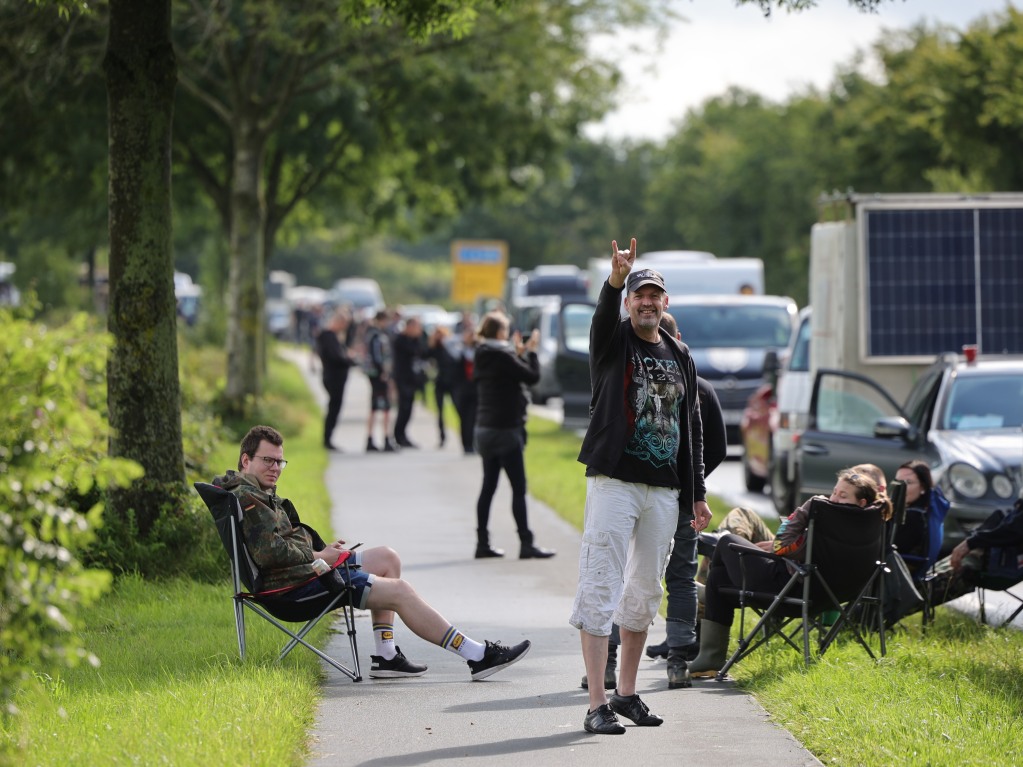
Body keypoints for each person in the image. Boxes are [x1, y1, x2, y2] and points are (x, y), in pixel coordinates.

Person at [216, 425, 531, 680]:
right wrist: (320, 557)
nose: (275, 468)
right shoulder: (248, 498)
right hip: (296, 588)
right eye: (267, 461)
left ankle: (386, 656)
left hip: (307, 572)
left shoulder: (255, 492)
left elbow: (278, 545)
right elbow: (269, 553)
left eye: (278, 461)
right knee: (401, 592)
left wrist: (321, 552)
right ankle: (477, 655)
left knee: (387, 558)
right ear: (246, 460)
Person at [569, 239, 711, 735]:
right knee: (600, 585)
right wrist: (614, 279)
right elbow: (601, 318)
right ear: (629, 303)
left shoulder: (679, 352)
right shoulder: (614, 341)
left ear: (665, 303)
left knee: (645, 592)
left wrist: (696, 493)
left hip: (664, 490)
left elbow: (690, 426)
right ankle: (595, 703)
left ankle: (627, 694)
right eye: (638, 295)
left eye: (655, 296)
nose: (647, 302)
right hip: (615, 482)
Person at [688, 468, 892, 678]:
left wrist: (805, 510)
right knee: (719, 579)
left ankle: (709, 646)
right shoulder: (869, 521)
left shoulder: (821, 509)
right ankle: (708, 615)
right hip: (828, 599)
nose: (835, 499)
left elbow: (780, 545)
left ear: (862, 502)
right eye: (834, 492)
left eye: (843, 495)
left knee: (726, 542)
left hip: (787, 590)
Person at [472, 310, 555, 560]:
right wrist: (530, 352)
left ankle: (482, 543)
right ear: (500, 333)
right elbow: (531, 376)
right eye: (506, 331)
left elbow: (507, 372)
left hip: (484, 429)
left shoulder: (482, 354)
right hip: (506, 430)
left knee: (488, 487)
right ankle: (526, 543)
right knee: (519, 488)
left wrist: (517, 354)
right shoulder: (503, 356)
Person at [316, 309, 354, 451]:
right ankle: (327, 439)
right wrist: (349, 360)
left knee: (335, 408)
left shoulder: (335, 337)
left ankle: (329, 438)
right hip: (333, 377)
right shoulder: (328, 336)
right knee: (333, 408)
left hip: (337, 377)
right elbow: (335, 358)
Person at [364, 310, 398, 453]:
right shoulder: (377, 335)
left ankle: (372, 438)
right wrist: (384, 372)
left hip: (375, 374)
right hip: (379, 375)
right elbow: (378, 356)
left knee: (375, 407)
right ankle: (385, 438)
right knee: (385, 408)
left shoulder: (372, 334)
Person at [392, 316, 425, 449]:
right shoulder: (400, 340)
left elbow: (423, 352)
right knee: (403, 407)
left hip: (412, 379)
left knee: (409, 408)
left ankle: (403, 434)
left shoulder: (416, 340)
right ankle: (398, 435)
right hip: (403, 378)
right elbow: (410, 352)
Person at [427, 326, 459, 448]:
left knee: (458, 409)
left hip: (452, 383)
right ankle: (442, 437)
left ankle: (464, 435)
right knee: (440, 412)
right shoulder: (433, 349)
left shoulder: (450, 349)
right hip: (440, 383)